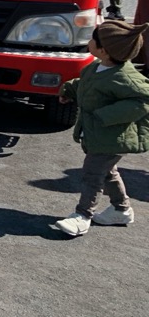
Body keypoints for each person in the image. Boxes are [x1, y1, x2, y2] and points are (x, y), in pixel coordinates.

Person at [51, 20, 149, 237]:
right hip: (98, 135)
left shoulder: (124, 77)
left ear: (104, 50)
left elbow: (144, 100)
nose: (89, 41)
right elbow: (85, 84)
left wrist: (104, 116)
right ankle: (121, 209)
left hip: (111, 138)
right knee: (107, 173)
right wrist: (69, 90)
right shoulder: (97, 67)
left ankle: (83, 216)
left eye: (94, 38)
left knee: (92, 174)